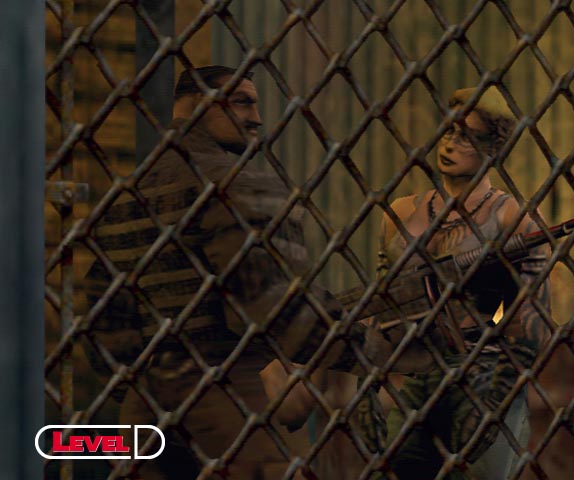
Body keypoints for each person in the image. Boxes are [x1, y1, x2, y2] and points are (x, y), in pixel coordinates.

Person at [82, 65, 384, 479]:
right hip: (232, 401)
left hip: (145, 408)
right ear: (195, 105)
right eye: (241, 103)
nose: (256, 118)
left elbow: (103, 314)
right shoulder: (241, 184)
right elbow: (283, 311)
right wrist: (377, 349)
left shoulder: (124, 195)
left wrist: (132, 385)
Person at [376, 86, 553, 479]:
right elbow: (380, 303)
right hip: (416, 377)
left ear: (492, 149)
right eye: (449, 130)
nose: (450, 143)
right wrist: (370, 383)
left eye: (467, 137)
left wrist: (494, 398)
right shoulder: (399, 213)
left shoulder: (513, 219)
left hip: (483, 375)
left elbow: (531, 323)